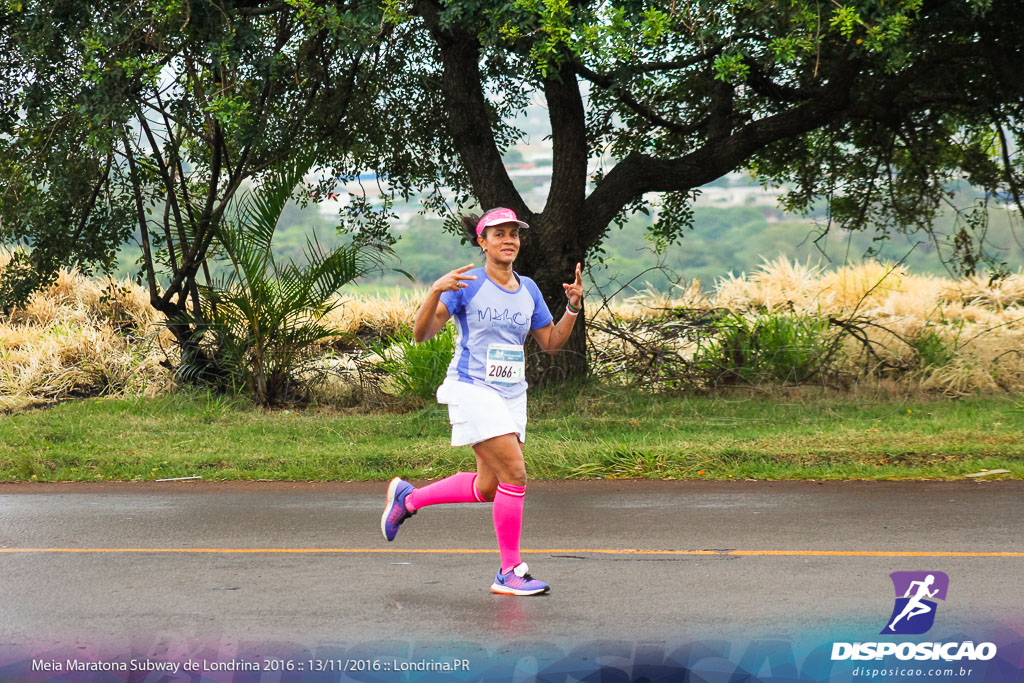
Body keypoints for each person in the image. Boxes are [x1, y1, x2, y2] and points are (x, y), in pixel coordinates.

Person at [380, 207, 583, 596]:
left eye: (514, 234)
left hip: (512, 393)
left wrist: (573, 306)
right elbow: (420, 334)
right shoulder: (467, 285)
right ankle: (509, 571)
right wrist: (436, 290)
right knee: (516, 474)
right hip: (472, 387)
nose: (509, 240)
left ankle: (408, 499)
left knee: (492, 486)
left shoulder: (529, 291)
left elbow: (552, 343)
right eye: (499, 234)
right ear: (482, 242)